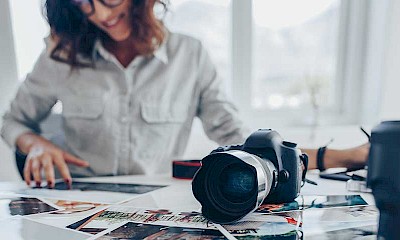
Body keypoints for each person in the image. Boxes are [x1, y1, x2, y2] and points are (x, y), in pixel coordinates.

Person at [0, 0, 368, 188]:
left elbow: (243, 142)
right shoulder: (62, 57)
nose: (99, 13)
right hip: (74, 208)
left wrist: (344, 157)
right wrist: (34, 144)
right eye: (84, 1)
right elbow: (13, 121)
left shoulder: (190, 56)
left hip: (151, 211)